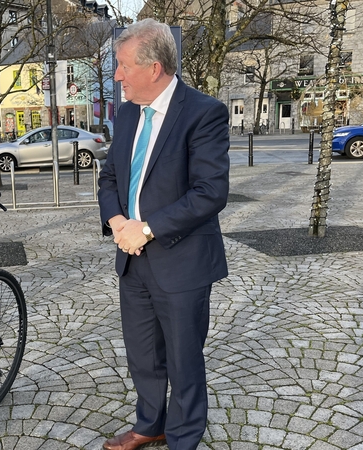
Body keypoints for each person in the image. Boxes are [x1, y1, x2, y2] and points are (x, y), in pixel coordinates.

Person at [97, 18, 230, 450]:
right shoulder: (127, 113)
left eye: (122, 66)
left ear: (153, 68)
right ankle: (149, 423)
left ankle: (183, 437)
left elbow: (210, 192)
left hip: (182, 258)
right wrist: (119, 223)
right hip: (132, 258)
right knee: (143, 354)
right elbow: (109, 178)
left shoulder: (204, 113)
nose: (116, 76)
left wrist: (148, 229)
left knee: (184, 357)